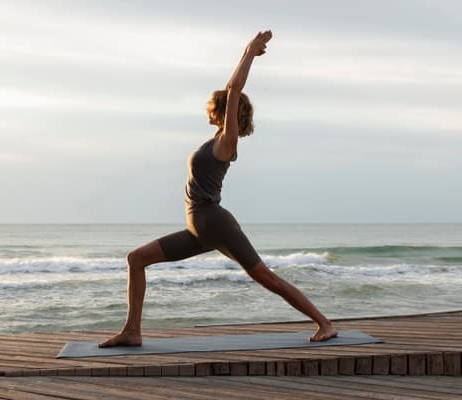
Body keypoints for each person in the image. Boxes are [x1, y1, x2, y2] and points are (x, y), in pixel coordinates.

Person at [100, 30, 337, 348]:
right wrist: (245, 53)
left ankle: (325, 323)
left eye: (217, 105)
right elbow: (230, 90)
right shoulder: (215, 141)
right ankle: (132, 331)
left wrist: (249, 52)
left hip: (214, 222)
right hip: (199, 228)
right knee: (137, 258)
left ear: (226, 112)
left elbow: (234, 88)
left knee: (264, 276)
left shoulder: (227, 142)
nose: (209, 107)